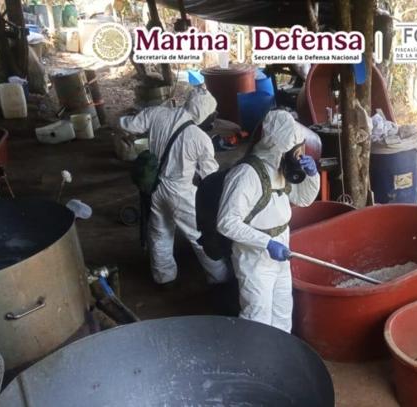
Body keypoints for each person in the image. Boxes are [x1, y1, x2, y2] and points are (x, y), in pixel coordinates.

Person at [217, 110, 320, 332]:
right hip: (255, 258)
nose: (298, 155)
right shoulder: (246, 174)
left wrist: (312, 177)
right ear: (280, 147)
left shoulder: (279, 169)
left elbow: (303, 199)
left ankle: (279, 353)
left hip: (281, 249)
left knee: (282, 312)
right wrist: (266, 243)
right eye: (295, 149)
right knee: (258, 317)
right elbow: (226, 222)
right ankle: (254, 355)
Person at [119, 88, 229, 286]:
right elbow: (209, 176)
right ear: (203, 113)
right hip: (181, 192)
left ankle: (164, 278)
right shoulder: (199, 138)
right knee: (201, 237)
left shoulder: (157, 113)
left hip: (155, 186)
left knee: (160, 233)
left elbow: (127, 124)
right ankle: (220, 279)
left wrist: (123, 120)